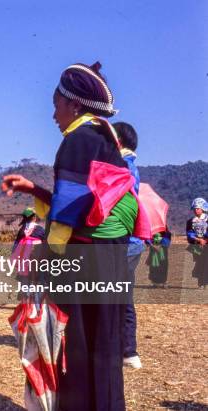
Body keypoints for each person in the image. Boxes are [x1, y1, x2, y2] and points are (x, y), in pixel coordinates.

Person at [2, 62, 148, 410]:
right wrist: (35, 188)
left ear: (74, 105)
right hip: (107, 255)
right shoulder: (102, 137)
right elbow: (87, 205)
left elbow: (69, 216)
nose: (53, 115)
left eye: (56, 105)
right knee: (104, 344)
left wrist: (46, 256)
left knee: (79, 345)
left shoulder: (77, 141)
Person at [113, 121, 143, 369]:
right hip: (133, 243)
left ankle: (122, 350)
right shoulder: (132, 166)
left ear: (118, 141)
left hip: (122, 243)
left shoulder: (121, 166)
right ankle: (128, 351)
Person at [186, 198, 208, 289]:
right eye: (194, 208)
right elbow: (189, 232)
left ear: (202, 209)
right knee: (199, 263)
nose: (196, 210)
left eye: (198, 208)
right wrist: (198, 240)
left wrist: (205, 240)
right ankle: (201, 283)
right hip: (197, 245)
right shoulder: (191, 221)